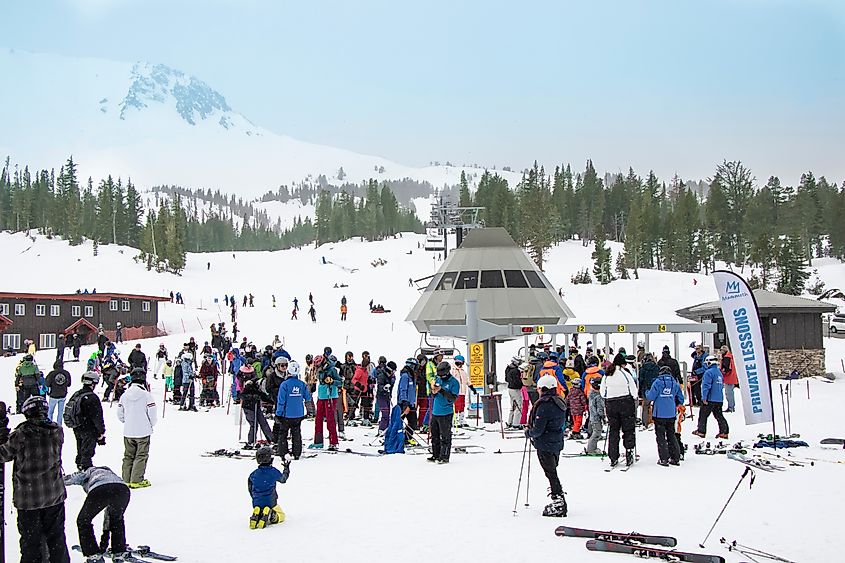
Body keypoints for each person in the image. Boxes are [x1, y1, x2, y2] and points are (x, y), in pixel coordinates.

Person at [0, 395, 71, 563]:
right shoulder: (57, 430)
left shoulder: (22, 433)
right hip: (54, 495)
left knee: (31, 543)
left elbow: (4, 454)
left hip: (28, 499)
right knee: (56, 539)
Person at [64, 466, 131, 562]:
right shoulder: (109, 471)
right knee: (116, 518)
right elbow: (108, 516)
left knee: (83, 520)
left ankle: (93, 554)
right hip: (122, 489)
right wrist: (103, 544)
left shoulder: (88, 471)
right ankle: (119, 551)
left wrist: (58, 480)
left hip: (100, 489)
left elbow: (73, 478)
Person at [527, 375, 568, 517]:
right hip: (557, 441)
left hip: (545, 443)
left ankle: (558, 501)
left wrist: (530, 433)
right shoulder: (560, 402)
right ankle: (558, 498)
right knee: (552, 470)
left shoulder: (544, 405)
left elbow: (539, 429)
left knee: (551, 473)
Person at [117, 369, 157, 488]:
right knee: (141, 455)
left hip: (128, 431)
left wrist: (126, 421)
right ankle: (137, 479)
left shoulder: (124, 395)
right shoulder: (146, 395)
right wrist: (150, 424)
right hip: (143, 430)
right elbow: (152, 413)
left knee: (128, 455)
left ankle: (126, 478)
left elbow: (120, 413)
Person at [600, 357, 638, 468]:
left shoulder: (607, 374)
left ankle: (613, 456)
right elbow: (633, 389)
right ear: (622, 364)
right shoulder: (625, 373)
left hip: (611, 404)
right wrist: (633, 398)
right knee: (628, 429)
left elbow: (603, 392)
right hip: (625, 402)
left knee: (613, 430)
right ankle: (629, 451)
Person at [646, 366, 685, 466]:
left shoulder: (657, 382)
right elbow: (681, 398)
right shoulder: (674, 383)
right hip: (671, 413)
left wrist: (646, 392)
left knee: (660, 436)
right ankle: (675, 457)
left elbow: (651, 396)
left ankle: (664, 458)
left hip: (659, 413)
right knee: (671, 435)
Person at [68, 371, 106, 470]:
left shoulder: (77, 394)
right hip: (89, 428)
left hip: (77, 426)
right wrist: (101, 431)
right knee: (87, 451)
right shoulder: (92, 398)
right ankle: (85, 469)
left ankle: (79, 465)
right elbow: (97, 417)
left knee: (80, 448)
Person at [275, 360, 311, 460]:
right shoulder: (302, 384)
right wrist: (309, 411)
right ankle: (297, 453)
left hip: (286, 415)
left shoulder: (284, 385)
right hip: (298, 414)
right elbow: (308, 398)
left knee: (283, 433)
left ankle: (283, 453)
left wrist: (278, 414)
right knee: (296, 433)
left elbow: (281, 401)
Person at [248, 446, 290, 529]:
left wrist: (255, 498)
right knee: (282, 515)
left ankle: (257, 512)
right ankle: (272, 515)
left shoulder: (253, 474)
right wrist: (286, 468)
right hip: (270, 501)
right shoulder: (273, 472)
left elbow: (250, 488)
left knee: (260, 506)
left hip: (256, 501)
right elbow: (283, 479)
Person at [429, 361, 460, 464]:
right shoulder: (438, 379)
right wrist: (433, 391)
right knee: (435, 435)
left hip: (446, 413)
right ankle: (436, 454)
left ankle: (445, 456)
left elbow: (452, 398)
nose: (441, 378)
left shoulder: (454, 382)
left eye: (443, 376)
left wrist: (441, 390)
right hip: (435, 411)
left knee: (445, 436)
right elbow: (434, 392)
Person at [309, 355, 341, 450]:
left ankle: (333, 442)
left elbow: (340, 382)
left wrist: (332, 381)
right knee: (318, 419)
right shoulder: (320, 369)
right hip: (321, 395)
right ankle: (318, 442)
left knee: (330, 419)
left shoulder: (332, 369)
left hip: (330, 396)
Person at [693, 356, 729, 439]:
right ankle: (724, 431)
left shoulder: (708, 373)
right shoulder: (719, 372)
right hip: (719, 398)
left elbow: (706, 386)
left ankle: (701, 431)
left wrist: (704, 397)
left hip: (710, 398)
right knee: (719, 415)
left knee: (703, 415)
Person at [239, 365, 274, 447]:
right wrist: (252, 397)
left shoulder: (262, 385)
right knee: (253, 424)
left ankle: (271, 439)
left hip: (256, 406)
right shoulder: (250, 385)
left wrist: (272, 402)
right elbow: (242, 395)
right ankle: (251, 441)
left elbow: (263, 396)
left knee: (263, 422)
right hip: (248, 407)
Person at [398, 358, 418, 444]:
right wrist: (405, 403)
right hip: (404, 404)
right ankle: (393, 437)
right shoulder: (405, 376)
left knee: (413, 423)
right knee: (398, 421)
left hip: (411, 403)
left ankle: (407, 438)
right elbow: (403, 389)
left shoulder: (411, 376)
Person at [46, 360, 72, 426]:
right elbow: (69, 384)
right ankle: (59, 425)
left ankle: (49, 424)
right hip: (63, 395)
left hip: (53, 395)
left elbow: (47, 384)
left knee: (50, 411)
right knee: (60, 412)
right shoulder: (67, 373)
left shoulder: (52, 373)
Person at [585, 377, 606, 455]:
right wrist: (603, 417)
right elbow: (600, 409)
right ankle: (591, 449)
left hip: (592, 416)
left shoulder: (591, 394)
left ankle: (593, 448)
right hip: (596, 417)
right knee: (597, 433)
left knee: (595, 432)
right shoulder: (598, 396)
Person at [638, 353, 659, 428]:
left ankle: (645, 422)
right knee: (656, 405)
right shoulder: (657, 367)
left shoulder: (643, 368)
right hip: (655, 388)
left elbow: (640, 380)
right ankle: (655, 420)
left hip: (645, 388)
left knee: (645, 406)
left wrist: (640, 391)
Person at [505, 356, 524, 429]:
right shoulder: (515, 371)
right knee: (519, 406)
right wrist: (522, 383)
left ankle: (510, 422)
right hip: (515, 389)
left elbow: (506, 379)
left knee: (513, 406)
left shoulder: (508, 369)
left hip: (510, 389)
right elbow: (517, 382)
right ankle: (516, 423)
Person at [720, 345, 738, 412]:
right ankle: (731, 406)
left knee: (729, 393)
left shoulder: (727, 358)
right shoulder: (730, 356)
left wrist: (722, 372)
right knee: (730, 393)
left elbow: (727, 369)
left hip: (729, 377)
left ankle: (731, 407)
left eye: (721, 350)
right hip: (731, 377)